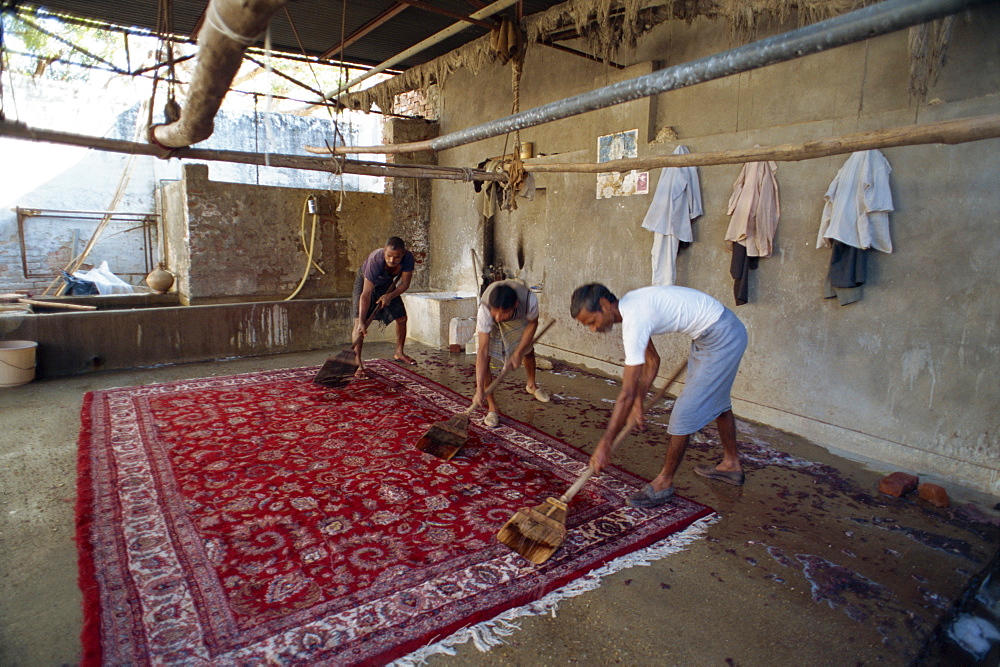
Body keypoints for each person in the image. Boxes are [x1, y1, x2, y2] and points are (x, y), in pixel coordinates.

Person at [570, 283, 748, 508]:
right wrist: (639, 402)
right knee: (717, 402)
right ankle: (731, 465)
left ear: (604, 305)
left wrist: (605, 443)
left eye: (592, 322)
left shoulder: (634, 319)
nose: (593, 329)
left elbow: (626, 392)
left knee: (683, 415)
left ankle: (664, 482)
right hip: (712, 334)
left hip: (722, 337)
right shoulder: (632, 307)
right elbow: (653, 362)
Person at [473, 279, 550, 428]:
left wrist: (518, 352)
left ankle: (531, 385)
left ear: (514, 305)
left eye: (503, 314)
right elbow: (482, 352)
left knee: (528, 350)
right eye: (496, 313)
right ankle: (492, 406)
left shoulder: (529, 300)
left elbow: (533, 324)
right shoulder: (485, 309)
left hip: (518, 318)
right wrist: (479, 389)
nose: (498, 318)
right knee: (486, 357)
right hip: (493, 317)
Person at [353, 237, 417, 376]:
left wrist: (390, 296)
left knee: (401, 318)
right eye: (389, 256)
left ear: (403, 253)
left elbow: (405, 284)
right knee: (359, 323)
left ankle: (399, 353)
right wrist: (363, 321)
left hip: (386, 284)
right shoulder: (375, 260)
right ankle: (357, 362)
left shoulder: (408, 258)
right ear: (384, 250)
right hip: (366, 283)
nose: (392, 260)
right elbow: (366, 294)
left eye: (396, 257)